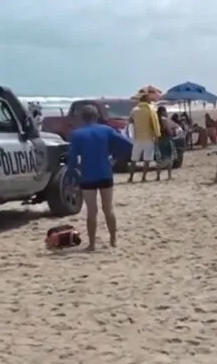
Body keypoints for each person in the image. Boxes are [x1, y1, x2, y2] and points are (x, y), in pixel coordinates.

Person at [65, 105, 131, 250]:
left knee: (91, 211)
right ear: (97, 117)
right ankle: (113, 240)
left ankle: (92, 244)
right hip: (105, 173)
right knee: (108, 208)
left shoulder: (77, 134)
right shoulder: (106, 130)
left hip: (87, 175)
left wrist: (71, 179)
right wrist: (114, 157)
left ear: (82, 118)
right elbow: (127, 144)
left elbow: (72, 160)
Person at [128, 94, 161, 183]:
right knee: (147, 159)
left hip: (137, 138)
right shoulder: (151, 109)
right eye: (149, 99)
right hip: (149, 138)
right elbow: (154, 123)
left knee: (134, 159)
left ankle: (131, 177)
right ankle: (143, 177)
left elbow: (130, 122)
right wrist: (157, 135)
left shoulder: (134, 110)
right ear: (146, 100)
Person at [154, 106, 176, 181]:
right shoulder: (165, 119)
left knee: (159, 159)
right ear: (163, 112)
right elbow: (169, 128)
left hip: (159, 140)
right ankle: (169, 176)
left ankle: (158, 176)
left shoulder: (156, 120)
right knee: (169, 158)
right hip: (166, 139)